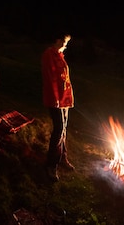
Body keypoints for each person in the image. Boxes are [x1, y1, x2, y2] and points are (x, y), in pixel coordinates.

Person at [41, 34, 75, 182]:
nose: (65, 45)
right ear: (57, 40)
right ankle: (51, 164)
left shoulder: (60, 55)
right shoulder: (49, 55)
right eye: (63, 42)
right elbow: (50, 78)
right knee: (59, 129)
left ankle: (61, 158)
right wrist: (55, 98)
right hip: (55, 99)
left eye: (66, 42)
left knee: (64, 128)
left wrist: (67, 97)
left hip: (64, 98)